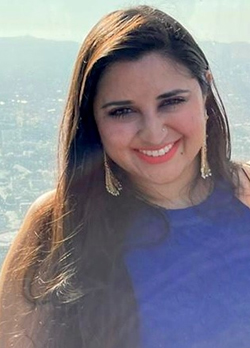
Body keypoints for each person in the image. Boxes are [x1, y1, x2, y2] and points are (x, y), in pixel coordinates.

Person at [1, 5, 250, 348]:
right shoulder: (57, 224)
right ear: (93, 120)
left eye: (172, 101)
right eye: (122, 111)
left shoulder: (245, 200)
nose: (153, 132)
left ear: (205, 91)